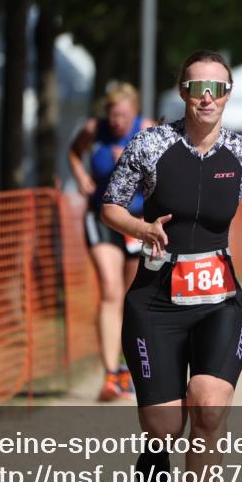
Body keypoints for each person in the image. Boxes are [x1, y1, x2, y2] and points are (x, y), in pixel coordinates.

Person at [101, 50, 242, 482]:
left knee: (209, 407)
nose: (207, 98)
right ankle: (158, 447)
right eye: (196, 87)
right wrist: (141, 227)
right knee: (165, 424)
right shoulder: (152, 143)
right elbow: (110, 204)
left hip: (219, 300)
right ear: (182, 92)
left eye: (217, 89)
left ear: (228, 95)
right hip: (157, 301)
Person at [68, 83, 155, 401]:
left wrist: (134, 160)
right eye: (113, 115)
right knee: (109, 289)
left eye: (124, 115)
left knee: (132, 297)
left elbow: (168, 169)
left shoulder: (147, 130)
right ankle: (110, 374)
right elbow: (74, 152)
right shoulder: (95, 129)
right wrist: (79, 175)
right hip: (102, 216)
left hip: (136, 220)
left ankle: (129, 367)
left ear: (135, 112)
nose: (118, 121)